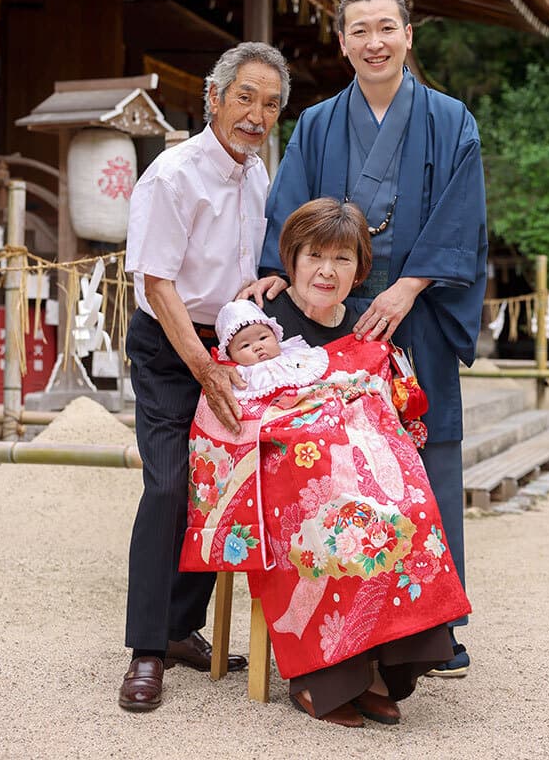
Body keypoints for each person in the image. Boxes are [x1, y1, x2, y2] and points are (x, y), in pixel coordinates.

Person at [254, 0, 488, 677]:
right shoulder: (320, 123)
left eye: (387, 28)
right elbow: (289, 210)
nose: (374, 42)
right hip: (332, 316)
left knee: (427, 454)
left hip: (418, 316)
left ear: (408, 35)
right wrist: (276, 269)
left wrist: (409, 289)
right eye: (360, 31)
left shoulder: (451, 121)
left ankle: (434, 624)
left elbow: (462, 218)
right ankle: (348, 619)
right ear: (343, 41)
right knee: (340, 464)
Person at [197, 199, 470, 728]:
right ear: (290, 259)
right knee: (327, 509)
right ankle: (324, 674)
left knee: (408, 499)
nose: (327, 270)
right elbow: (230, 395)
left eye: (343, 259)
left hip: (361, 458)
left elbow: (399, 401)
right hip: (283, 465)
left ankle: (378, 662)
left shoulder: (371, 321)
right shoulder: (258, 318)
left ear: (361, 268)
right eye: (314, 255)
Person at [118, 41, 291, 712]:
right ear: (214, 98)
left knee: (228, 486)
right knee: (168, 484)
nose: (256, 114)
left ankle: (178, 625)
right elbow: (156, 282)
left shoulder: (256, 173)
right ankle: (146, 651)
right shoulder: (172, 174)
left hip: (230, 345)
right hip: (171, 345)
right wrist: (200, 365)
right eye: (245, 97)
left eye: (271, 103)